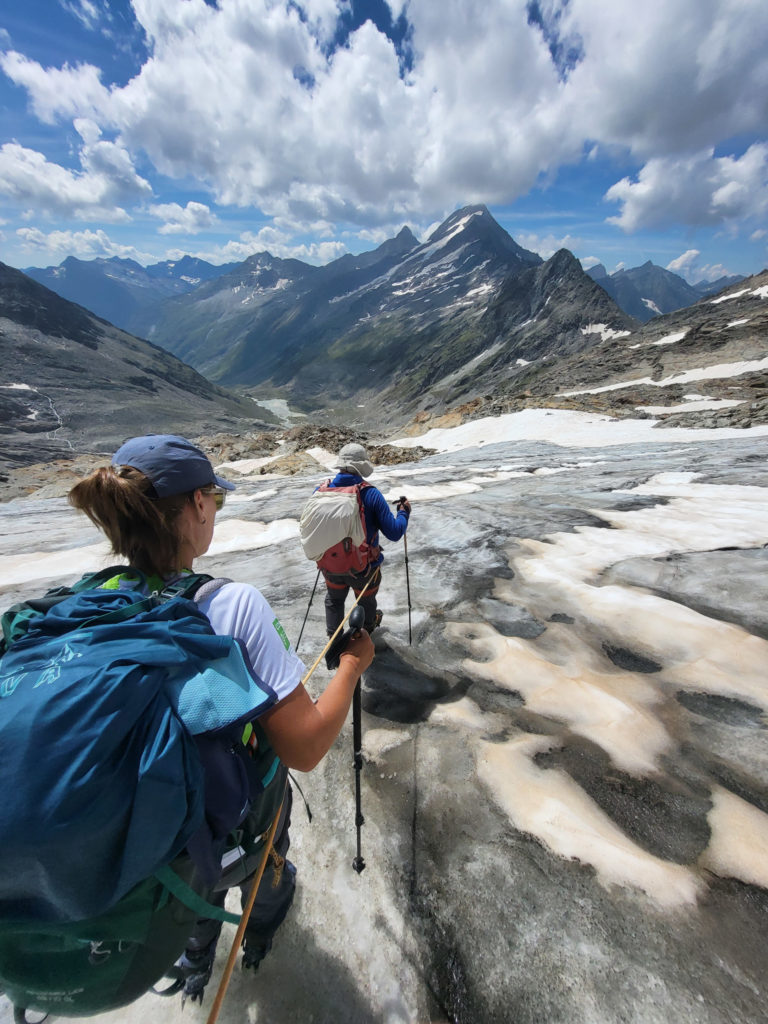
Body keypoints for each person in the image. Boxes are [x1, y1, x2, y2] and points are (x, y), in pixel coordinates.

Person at [67, 434, 374, 1001]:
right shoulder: (231, 605)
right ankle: (258, 932)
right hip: (237, 815)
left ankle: (194, 956)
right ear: (197, 505)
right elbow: (303, 749)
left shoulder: (86, 604)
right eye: (215, 498)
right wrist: (352, 665)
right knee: (263, 868)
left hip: (148, 839)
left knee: (194, 888)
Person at [316, 442, 410, 637]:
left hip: (330, 565)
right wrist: (403, 513)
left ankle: (334, 643)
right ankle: (365, 634)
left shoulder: (321, 491)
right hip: (364, 568)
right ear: (361, 467)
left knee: (334, 600)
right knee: (366, 602)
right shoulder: (370, 494)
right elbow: (394, 533)